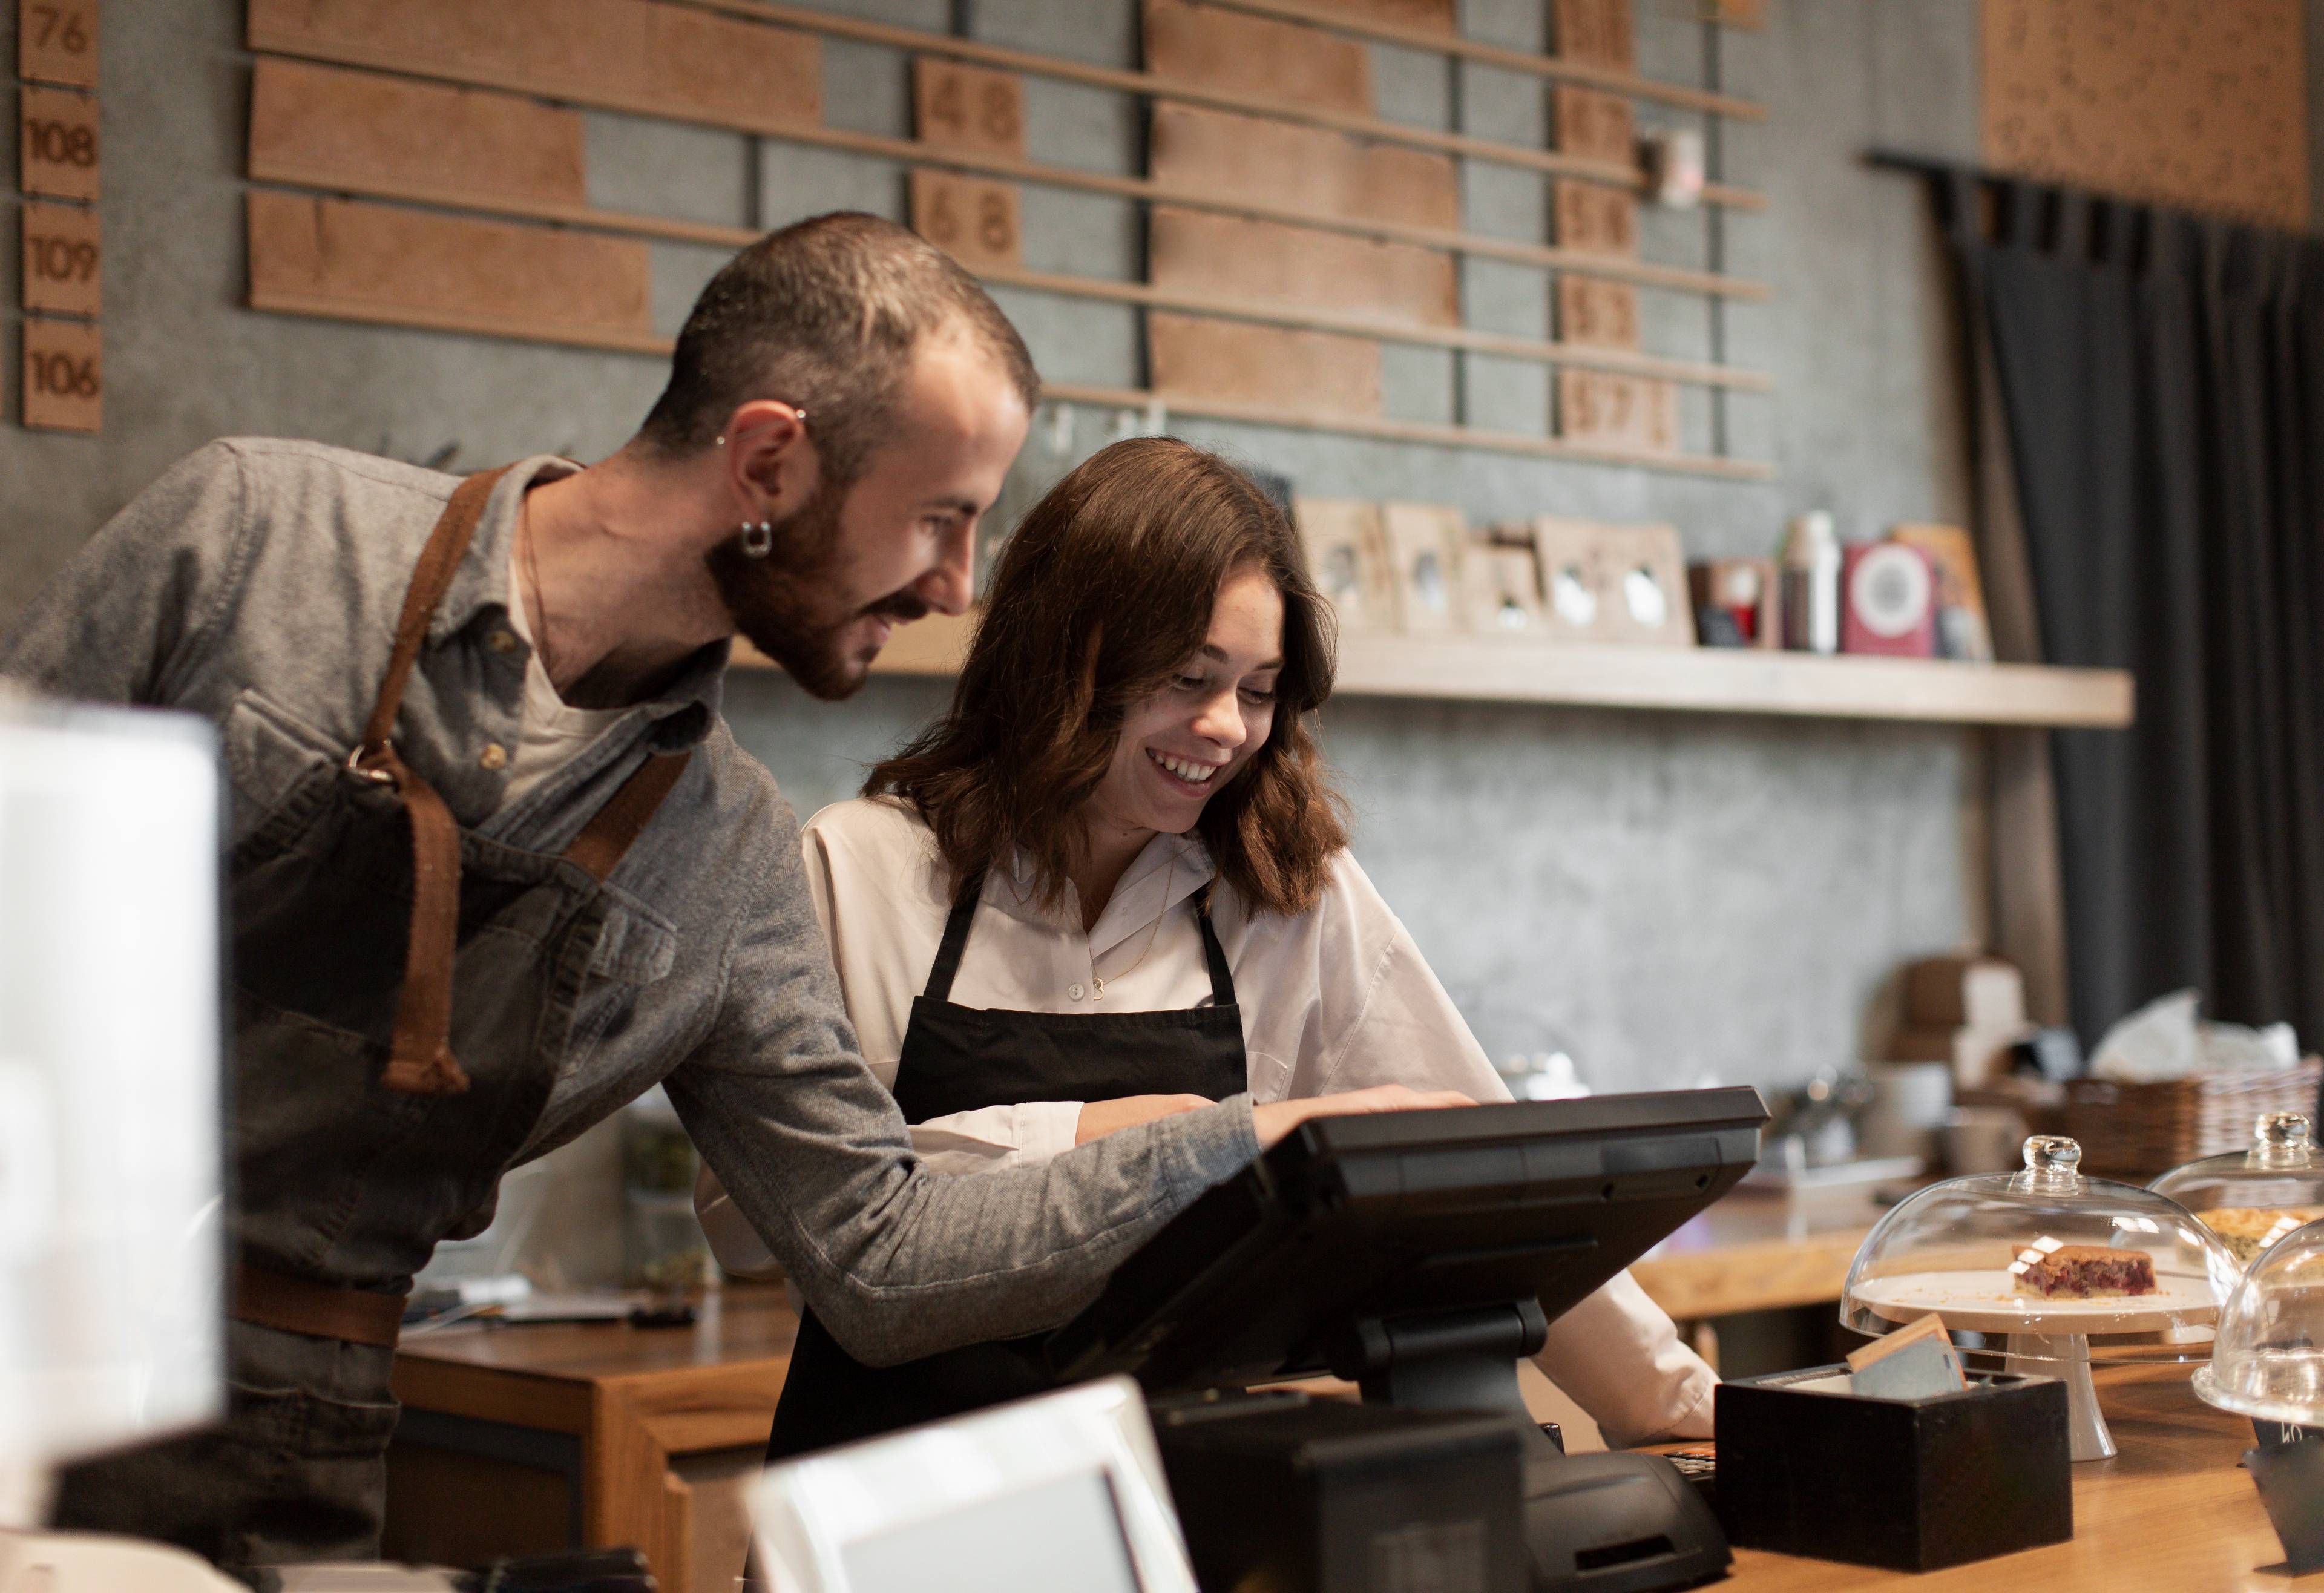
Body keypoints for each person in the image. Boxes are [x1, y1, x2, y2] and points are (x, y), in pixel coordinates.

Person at [0, 214, 1454, 1575]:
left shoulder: (729, 852)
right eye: (941, 520)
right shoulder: (263, 539)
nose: (958, 588)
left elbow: (877, 1254)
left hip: (297, 1434)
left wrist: (1243, 1143)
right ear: (768, 465)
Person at [697, 436, 1717, 1459]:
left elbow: (1493, 1184)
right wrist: (1142, 1134)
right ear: (1066, 655)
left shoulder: (1285, 891)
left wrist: (1679, 1405)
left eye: (1261, 689)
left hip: (1186, 1508)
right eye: (1189, 677)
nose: (1226, 726)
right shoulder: (859, 867)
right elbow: (757, 1225)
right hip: (895, 1507)